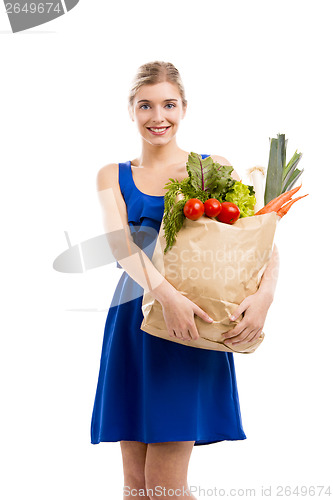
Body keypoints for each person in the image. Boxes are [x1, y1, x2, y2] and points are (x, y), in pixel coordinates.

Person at [90, 61, 279, 500]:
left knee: (162, 489)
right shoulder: (112, 175)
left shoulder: (214, 168)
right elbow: (120, 246)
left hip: (189, 326)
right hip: (134, 322)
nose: (159, 117)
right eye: (146, 106)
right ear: (131, 111)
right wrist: (165, 294)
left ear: (184, 108)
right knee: (136, 488)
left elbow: (259, 239)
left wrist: (265, 296)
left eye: (168, 105)